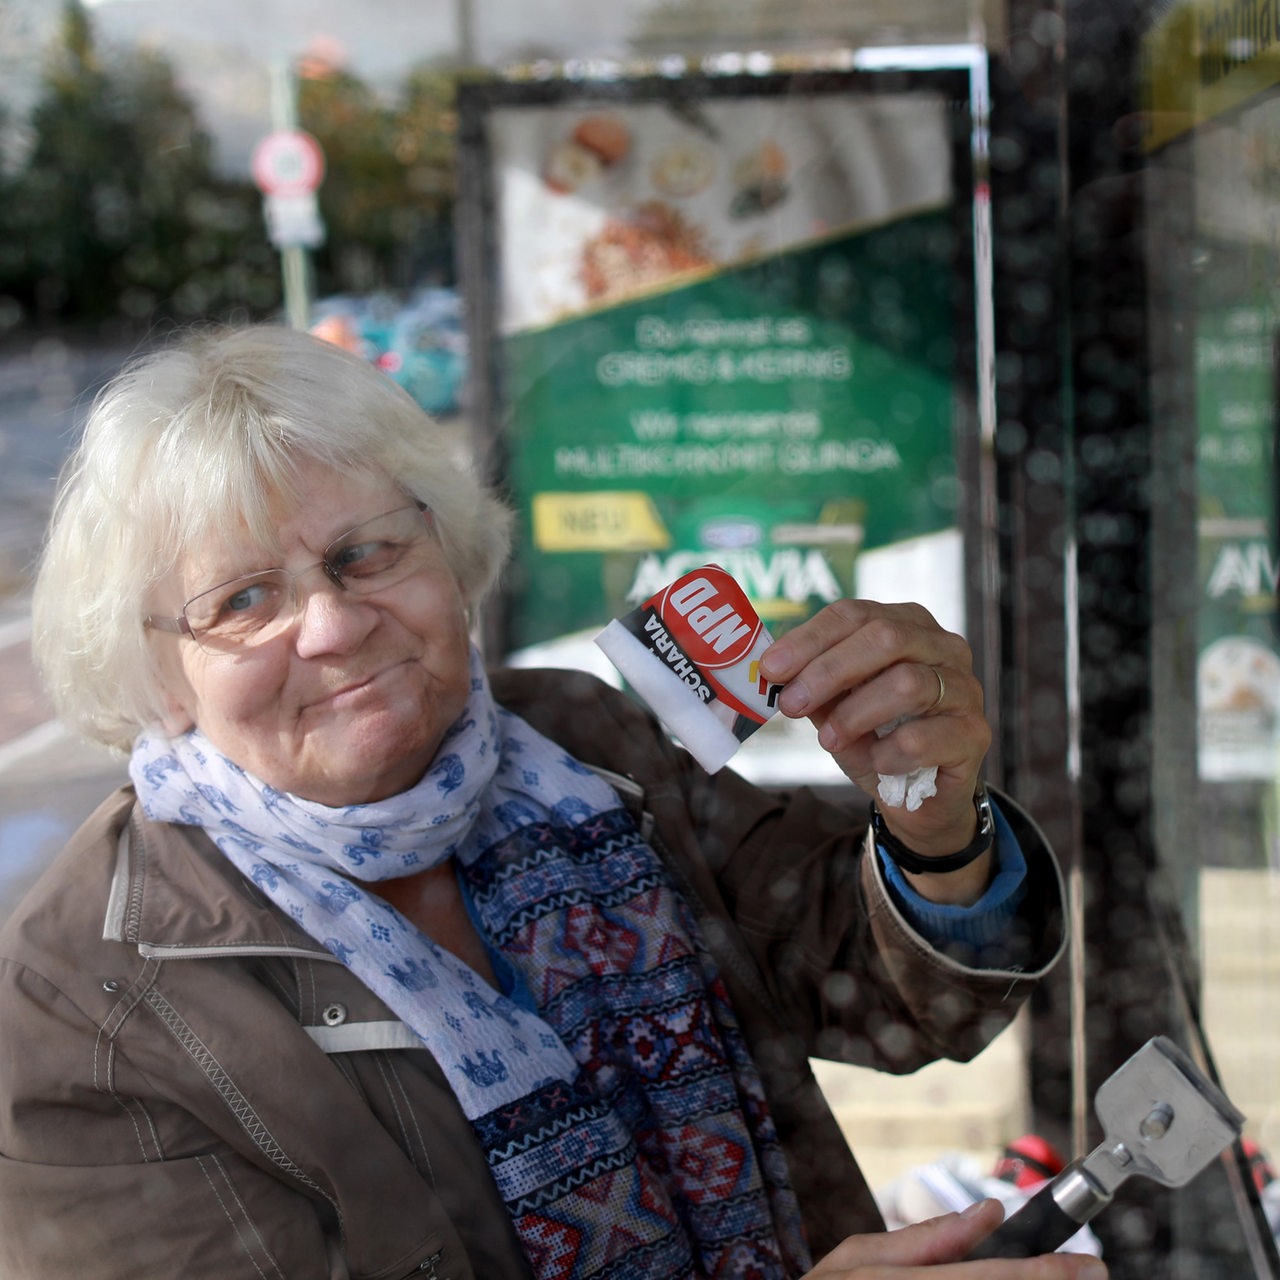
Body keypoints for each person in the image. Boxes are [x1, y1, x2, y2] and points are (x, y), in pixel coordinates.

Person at [0, 324, 1101, 1280]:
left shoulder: (578, 741)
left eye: (363, 553)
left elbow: (905, 1001)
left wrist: (931, 821)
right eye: (240, 599)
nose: (331, 625)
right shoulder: (72, 1015)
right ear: (150, 666)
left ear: (445, 544)